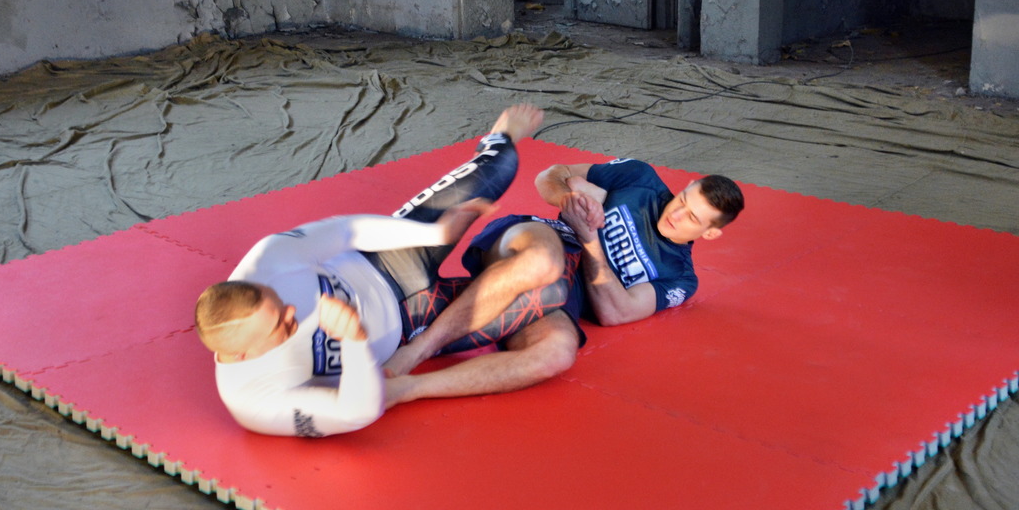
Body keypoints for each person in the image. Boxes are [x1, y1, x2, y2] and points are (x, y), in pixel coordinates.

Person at [194, 104, 574, 438]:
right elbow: (356, 412)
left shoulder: (267, 261)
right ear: (241, 355)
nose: (291, 311)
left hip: (386, 259)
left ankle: (498, 137)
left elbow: (347, 231)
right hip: (415, 325)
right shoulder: (253, 401)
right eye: (280, 323)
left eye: (280, 305)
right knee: (552, 306)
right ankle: (477, 289)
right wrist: (353, 341)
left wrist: (434, 234)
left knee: (500, 168)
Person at [383, 158, 744, 403]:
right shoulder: (640, 177)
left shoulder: (680, 277)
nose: (676, 213)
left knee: (555, 355)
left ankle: (407, 389)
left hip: (563, 298)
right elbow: (551, 174)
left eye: (692, 217)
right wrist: (570, 197)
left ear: (710, 233)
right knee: (543, 263)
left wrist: (590, 239)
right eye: (682, 199)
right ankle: (418, 350)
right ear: (686, 186)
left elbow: (616, 312)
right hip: (545, 238)